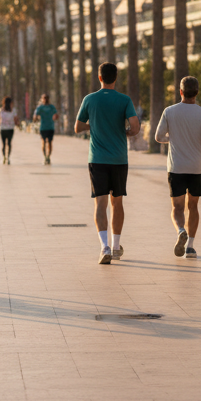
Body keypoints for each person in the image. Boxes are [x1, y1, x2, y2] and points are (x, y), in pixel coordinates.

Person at [75, 62, 139, 265]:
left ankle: (104, 247)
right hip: (119, 159)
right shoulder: (124, 100)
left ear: (99, 77)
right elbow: (135, 127)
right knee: (117, 202)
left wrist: (94, 125)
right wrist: (125, 131)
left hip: (97, 159)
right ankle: (116, 246)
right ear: (115, 78)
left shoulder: (89, 99)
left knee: (100, 203)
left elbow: (77, 127)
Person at [154, 76, 201, 259]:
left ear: (180, 92)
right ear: (197, 93)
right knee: (193, 206)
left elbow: (158, 136)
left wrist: (171, 139)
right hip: (197, 167)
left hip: (176, 167)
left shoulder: (169, 111)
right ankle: (190, 246)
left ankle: (181, 230)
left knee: (177, 207)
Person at [33, 93, 60, 165]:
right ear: (42, 99)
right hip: (43, 128)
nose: (45, 99)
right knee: (43, 142)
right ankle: (45, 156)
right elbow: (35, 115)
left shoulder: (52, 107)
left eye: (46, 98)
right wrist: (35, 118)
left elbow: (56, 115)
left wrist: (55, 117)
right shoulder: (40, 107)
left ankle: (48, 156)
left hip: (50, 127)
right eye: (44, 98)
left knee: (50, 143)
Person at [0, 96, 18, 164]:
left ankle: (4, 157)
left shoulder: (1, 110)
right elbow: (15, 119)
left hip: (3, 129)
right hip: (10, 129)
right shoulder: (13, 110)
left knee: (3, 144)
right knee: (9, 143)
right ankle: (8, 157)